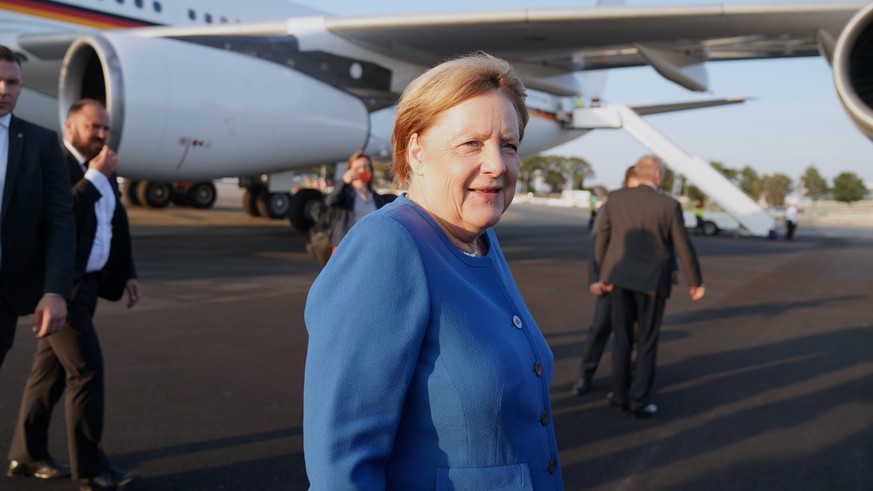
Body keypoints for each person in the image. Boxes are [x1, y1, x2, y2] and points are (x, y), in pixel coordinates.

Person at [303, 53, 563, 489]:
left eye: (510, 145)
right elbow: (340, 467)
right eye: (471, 143)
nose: (498, 164)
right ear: (416, 150)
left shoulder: (480, 237)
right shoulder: (388, 245)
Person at [7, 99, 141, 490]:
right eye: (91, 127)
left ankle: (25, 454)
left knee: (47, 374)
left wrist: (128, 272)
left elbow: (116, 220)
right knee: (86, 372)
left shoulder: (102, 166)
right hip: (61, 288)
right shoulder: (56, 163)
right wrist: (96, 178)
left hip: (90, 285)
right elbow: (58, 214)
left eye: (104, 128)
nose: (100, 134)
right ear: (69, 127)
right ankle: (92, 470)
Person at [590, 155, 705, 418]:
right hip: (653, 284)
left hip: (618, 280)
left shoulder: (615, 198)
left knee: (621, 340)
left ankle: (619, 396)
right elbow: (682, 244)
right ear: (657, 176)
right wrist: (694, 281)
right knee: (646, 342)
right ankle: (639, 399)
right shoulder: (669, 205)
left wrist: (601, 274)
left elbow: (602, 239)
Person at [0, 44, 75, 372]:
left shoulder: (41, 143)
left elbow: (60, 219)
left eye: (13, 82)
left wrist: (55, 290)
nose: (4, 89)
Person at [572, 165, 637, 395]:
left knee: (633, 336)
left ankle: (626, 381)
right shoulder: (612, 204)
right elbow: (598, 244)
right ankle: (585, 376)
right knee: (600, 330)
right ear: (630, 181)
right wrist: (594, 279)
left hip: (638, 285)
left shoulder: (649, 206)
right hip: (611, 284)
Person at [324, 150, 389, 251]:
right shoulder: (345, 193)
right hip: (346, 247)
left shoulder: (376, 197)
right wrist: (343, 182)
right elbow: (329, 201)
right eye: (357, 168)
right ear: (350, 171)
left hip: (369, 246)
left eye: (366, 166)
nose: (362, 170)